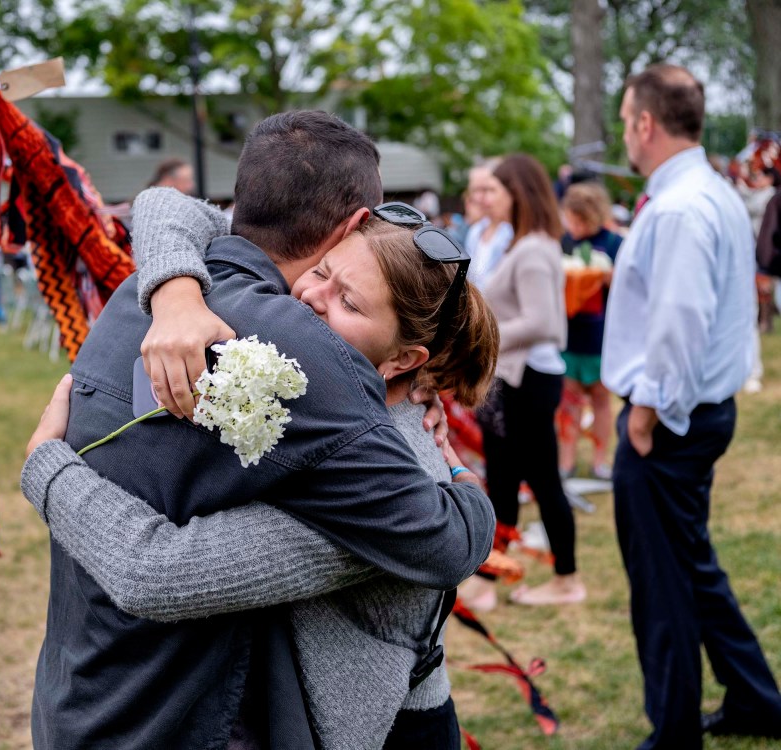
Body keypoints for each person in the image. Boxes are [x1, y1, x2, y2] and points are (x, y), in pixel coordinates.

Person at [31, 111, 495, 750]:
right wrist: (175, 293)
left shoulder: (136, 299)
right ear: (352, 225)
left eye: (350, 300)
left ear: (406, 360)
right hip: (165, 717)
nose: (313, 300)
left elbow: (156, 573)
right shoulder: (206, 304)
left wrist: (47, 466)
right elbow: (170, 205)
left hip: (90, 699)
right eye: (326, 276)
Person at [603, 64, 781, 749]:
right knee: (693, 565)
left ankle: (675, 731)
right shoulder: (708, 193)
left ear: (646, 123)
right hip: (702, 410)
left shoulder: (680, 206)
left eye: (624, 119)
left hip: (671, 417)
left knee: (662, 580)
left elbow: (680, 323)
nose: (624, 131)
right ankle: (758, 701)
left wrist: (646, 413)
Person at [463, 153, 584, 611]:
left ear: (519, 192)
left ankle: (568, 578)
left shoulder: (533, 249)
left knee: (543, 480)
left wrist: (480, 338)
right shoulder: (525, 244)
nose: (488, 199)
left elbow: (546, 323)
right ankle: (493, 576)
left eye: (498, 188)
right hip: (512, 378)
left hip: (529, 380)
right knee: (504, 479)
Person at [557, 182, 622, 479]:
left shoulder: (613, 243)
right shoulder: (564, 242)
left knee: (600, 399)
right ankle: (567, 461)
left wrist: (611, 278)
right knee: (569, 402)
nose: (574, 226)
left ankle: (600, 460)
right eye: (571, 219)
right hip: (569, 336)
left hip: (601, 338)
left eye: (580, 220)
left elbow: (626, 290)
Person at [463, 160, 513, 290]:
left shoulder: (513, 232)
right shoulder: (475, 231)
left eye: (487, 189)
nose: (480, 197)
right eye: (475, 190)